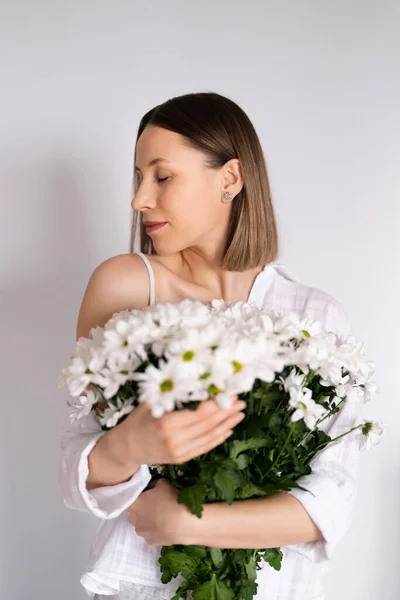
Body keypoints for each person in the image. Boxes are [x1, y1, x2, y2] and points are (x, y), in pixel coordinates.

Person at [59, 92, 361, 600]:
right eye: (138, 178)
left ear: (230, 179)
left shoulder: (316, 317)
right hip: (144, 584)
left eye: (162, 176)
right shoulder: (126, 287)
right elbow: (77, 465)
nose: (139, 200)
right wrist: (130, 444)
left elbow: (328, 505)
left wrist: (189, 524)